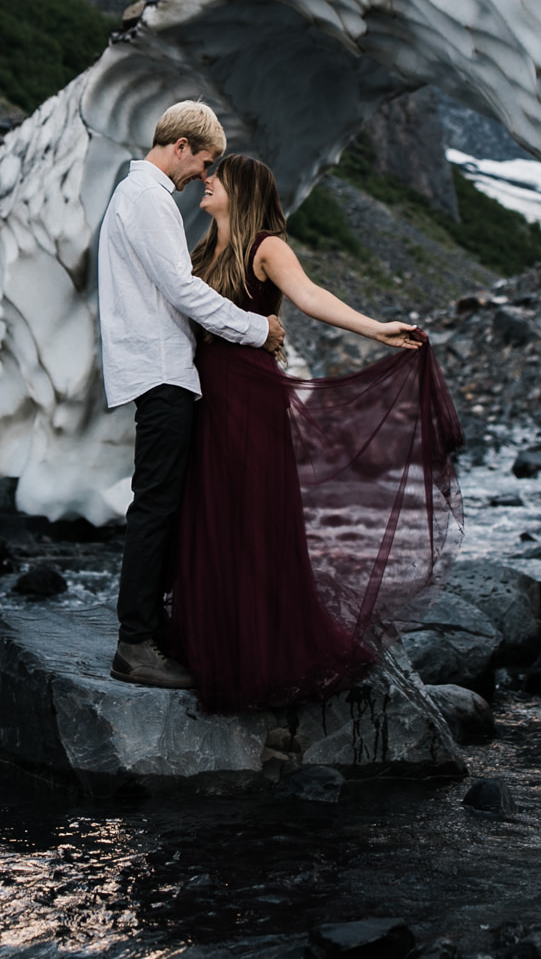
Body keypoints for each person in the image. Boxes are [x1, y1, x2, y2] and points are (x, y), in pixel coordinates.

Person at [167, 152, 463, 713]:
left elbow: (309, 297)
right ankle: (216, 642)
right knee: (212, 514)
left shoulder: (266, 245)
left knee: (253, 516)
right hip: (207, 395)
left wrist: (376, 329)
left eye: (216, 178)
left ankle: (259, 654)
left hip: (249, 398)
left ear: (243, 189)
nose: (205, 182)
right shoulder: (204, 248)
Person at [97, 100, 287, 689]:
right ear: (179, 145)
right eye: (202, 162)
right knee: (156, 504)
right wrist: (257, 329)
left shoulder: (138, 197)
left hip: (157, 367)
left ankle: (153, 629)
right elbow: (181, 287)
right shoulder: (149, 198)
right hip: (160, 370)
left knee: (162, 501)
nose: (203, 177)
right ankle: (136, 642)